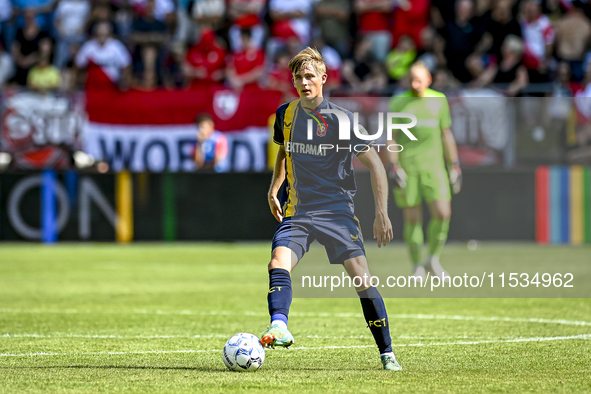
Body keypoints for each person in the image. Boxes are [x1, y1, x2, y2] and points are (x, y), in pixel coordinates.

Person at [260, 47, 402, 371]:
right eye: (298, 77)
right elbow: (284, 152)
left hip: (337, 211)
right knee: (276, 263)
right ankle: (279, 325)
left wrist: (381, 213)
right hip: (298, 211)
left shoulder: (342, 120)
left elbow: (376, 165)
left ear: (324, 78)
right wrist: (274, 188)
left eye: (310, 76)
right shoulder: (285, 114)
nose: (304, 82)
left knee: (362, 280)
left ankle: (387, 353)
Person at [383, 61, 462, 283]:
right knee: (412, 218)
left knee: (443, 213)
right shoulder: (399, 102)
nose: (415, 83)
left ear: (429, 79)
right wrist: (394, 166)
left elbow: (446, 134)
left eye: (419, 78)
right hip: (408, 167)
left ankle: (433, 259)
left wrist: (454, 165)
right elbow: (392, 137)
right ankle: (417, 264)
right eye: (411, 78)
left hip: (434, 167)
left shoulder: (439, 100)